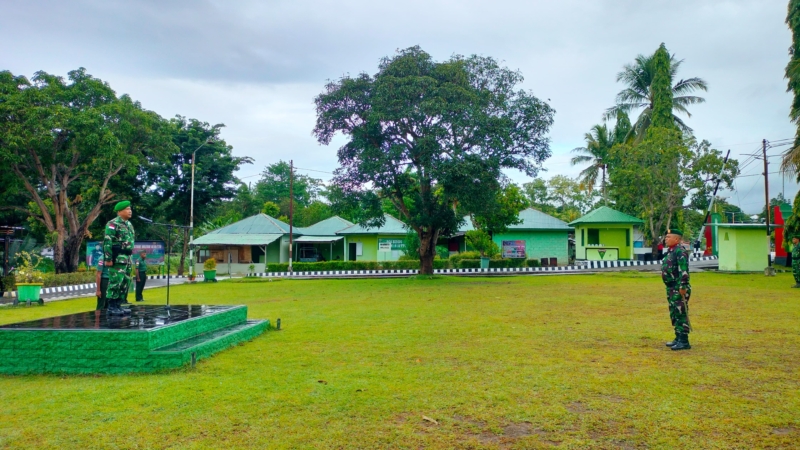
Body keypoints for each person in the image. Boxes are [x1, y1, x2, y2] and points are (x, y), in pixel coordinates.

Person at [661, 228, 691, 351]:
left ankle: (684, 341)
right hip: (671, 287)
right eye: (666, 237)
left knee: (681, 313)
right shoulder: (670, 251)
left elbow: (684, 270)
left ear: (677, 239)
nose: (665, 239)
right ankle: (678, 337)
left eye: (668, 237)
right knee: (674, 313)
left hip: (679, 287)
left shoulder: (680, 252)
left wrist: (683, 286)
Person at [104, 200, 135, 316]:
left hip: (127, 258)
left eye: (130, 209)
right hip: (117, 258)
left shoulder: (129, 224)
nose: (130, 211)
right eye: (127, 209)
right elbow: (108, 242)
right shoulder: (112, 224)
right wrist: (108, 259)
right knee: (116, 282)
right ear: (120, 211)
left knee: (125, 282)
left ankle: (118, 305)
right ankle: (111, 306)